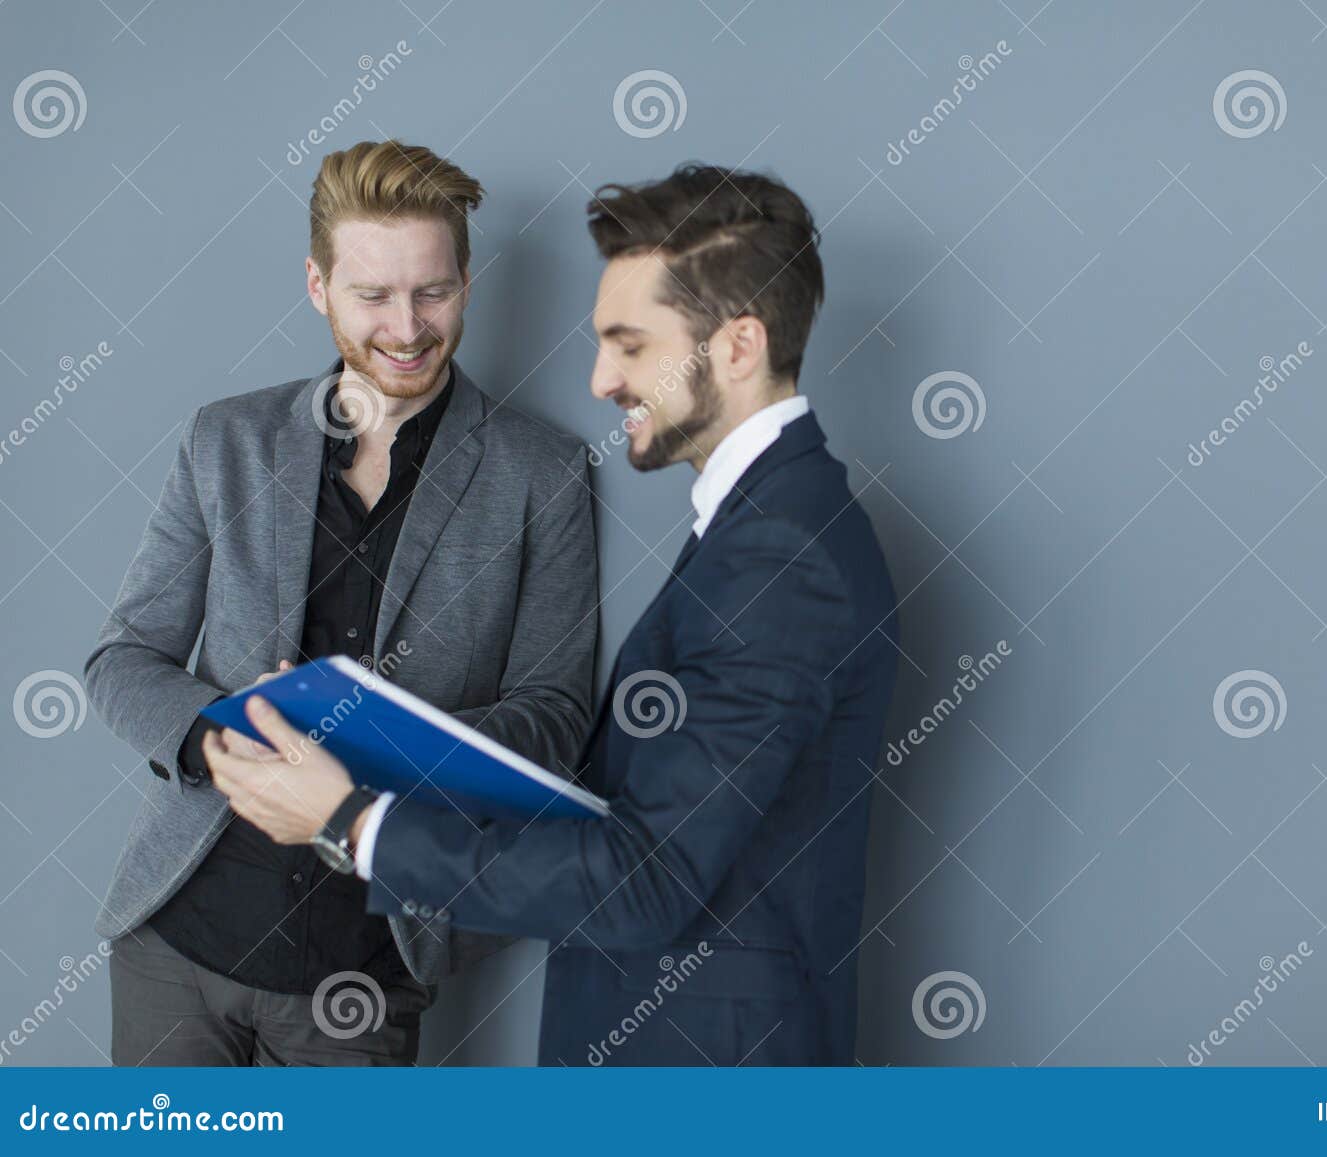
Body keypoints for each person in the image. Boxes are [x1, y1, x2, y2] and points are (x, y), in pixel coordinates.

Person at [208, 163, 900, 1066]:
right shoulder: (767, 522)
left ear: (737, 347)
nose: (602, 379)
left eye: (630, 346)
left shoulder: (783, 554)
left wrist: (351, 821)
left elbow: (647, 879)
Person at [84, 140, 598, 1066]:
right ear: (318, 286)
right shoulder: (225, 440)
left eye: (432, 292)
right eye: (373, 295)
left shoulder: (543, 474)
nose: (407, 327)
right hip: (176, 945)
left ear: (468, 282)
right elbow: (121, 659)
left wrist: (375, 744)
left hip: (367, 964)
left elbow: (556, 717)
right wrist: (216, 741)